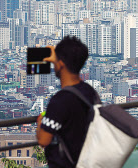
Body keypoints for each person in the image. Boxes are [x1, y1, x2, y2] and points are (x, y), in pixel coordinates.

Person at [36, 36, 99, 168]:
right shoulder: (89, 91)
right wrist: (58, 59)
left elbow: (43, 140)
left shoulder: (60, 101)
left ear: (61, 64)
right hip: (87, 161)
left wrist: (39, 124)